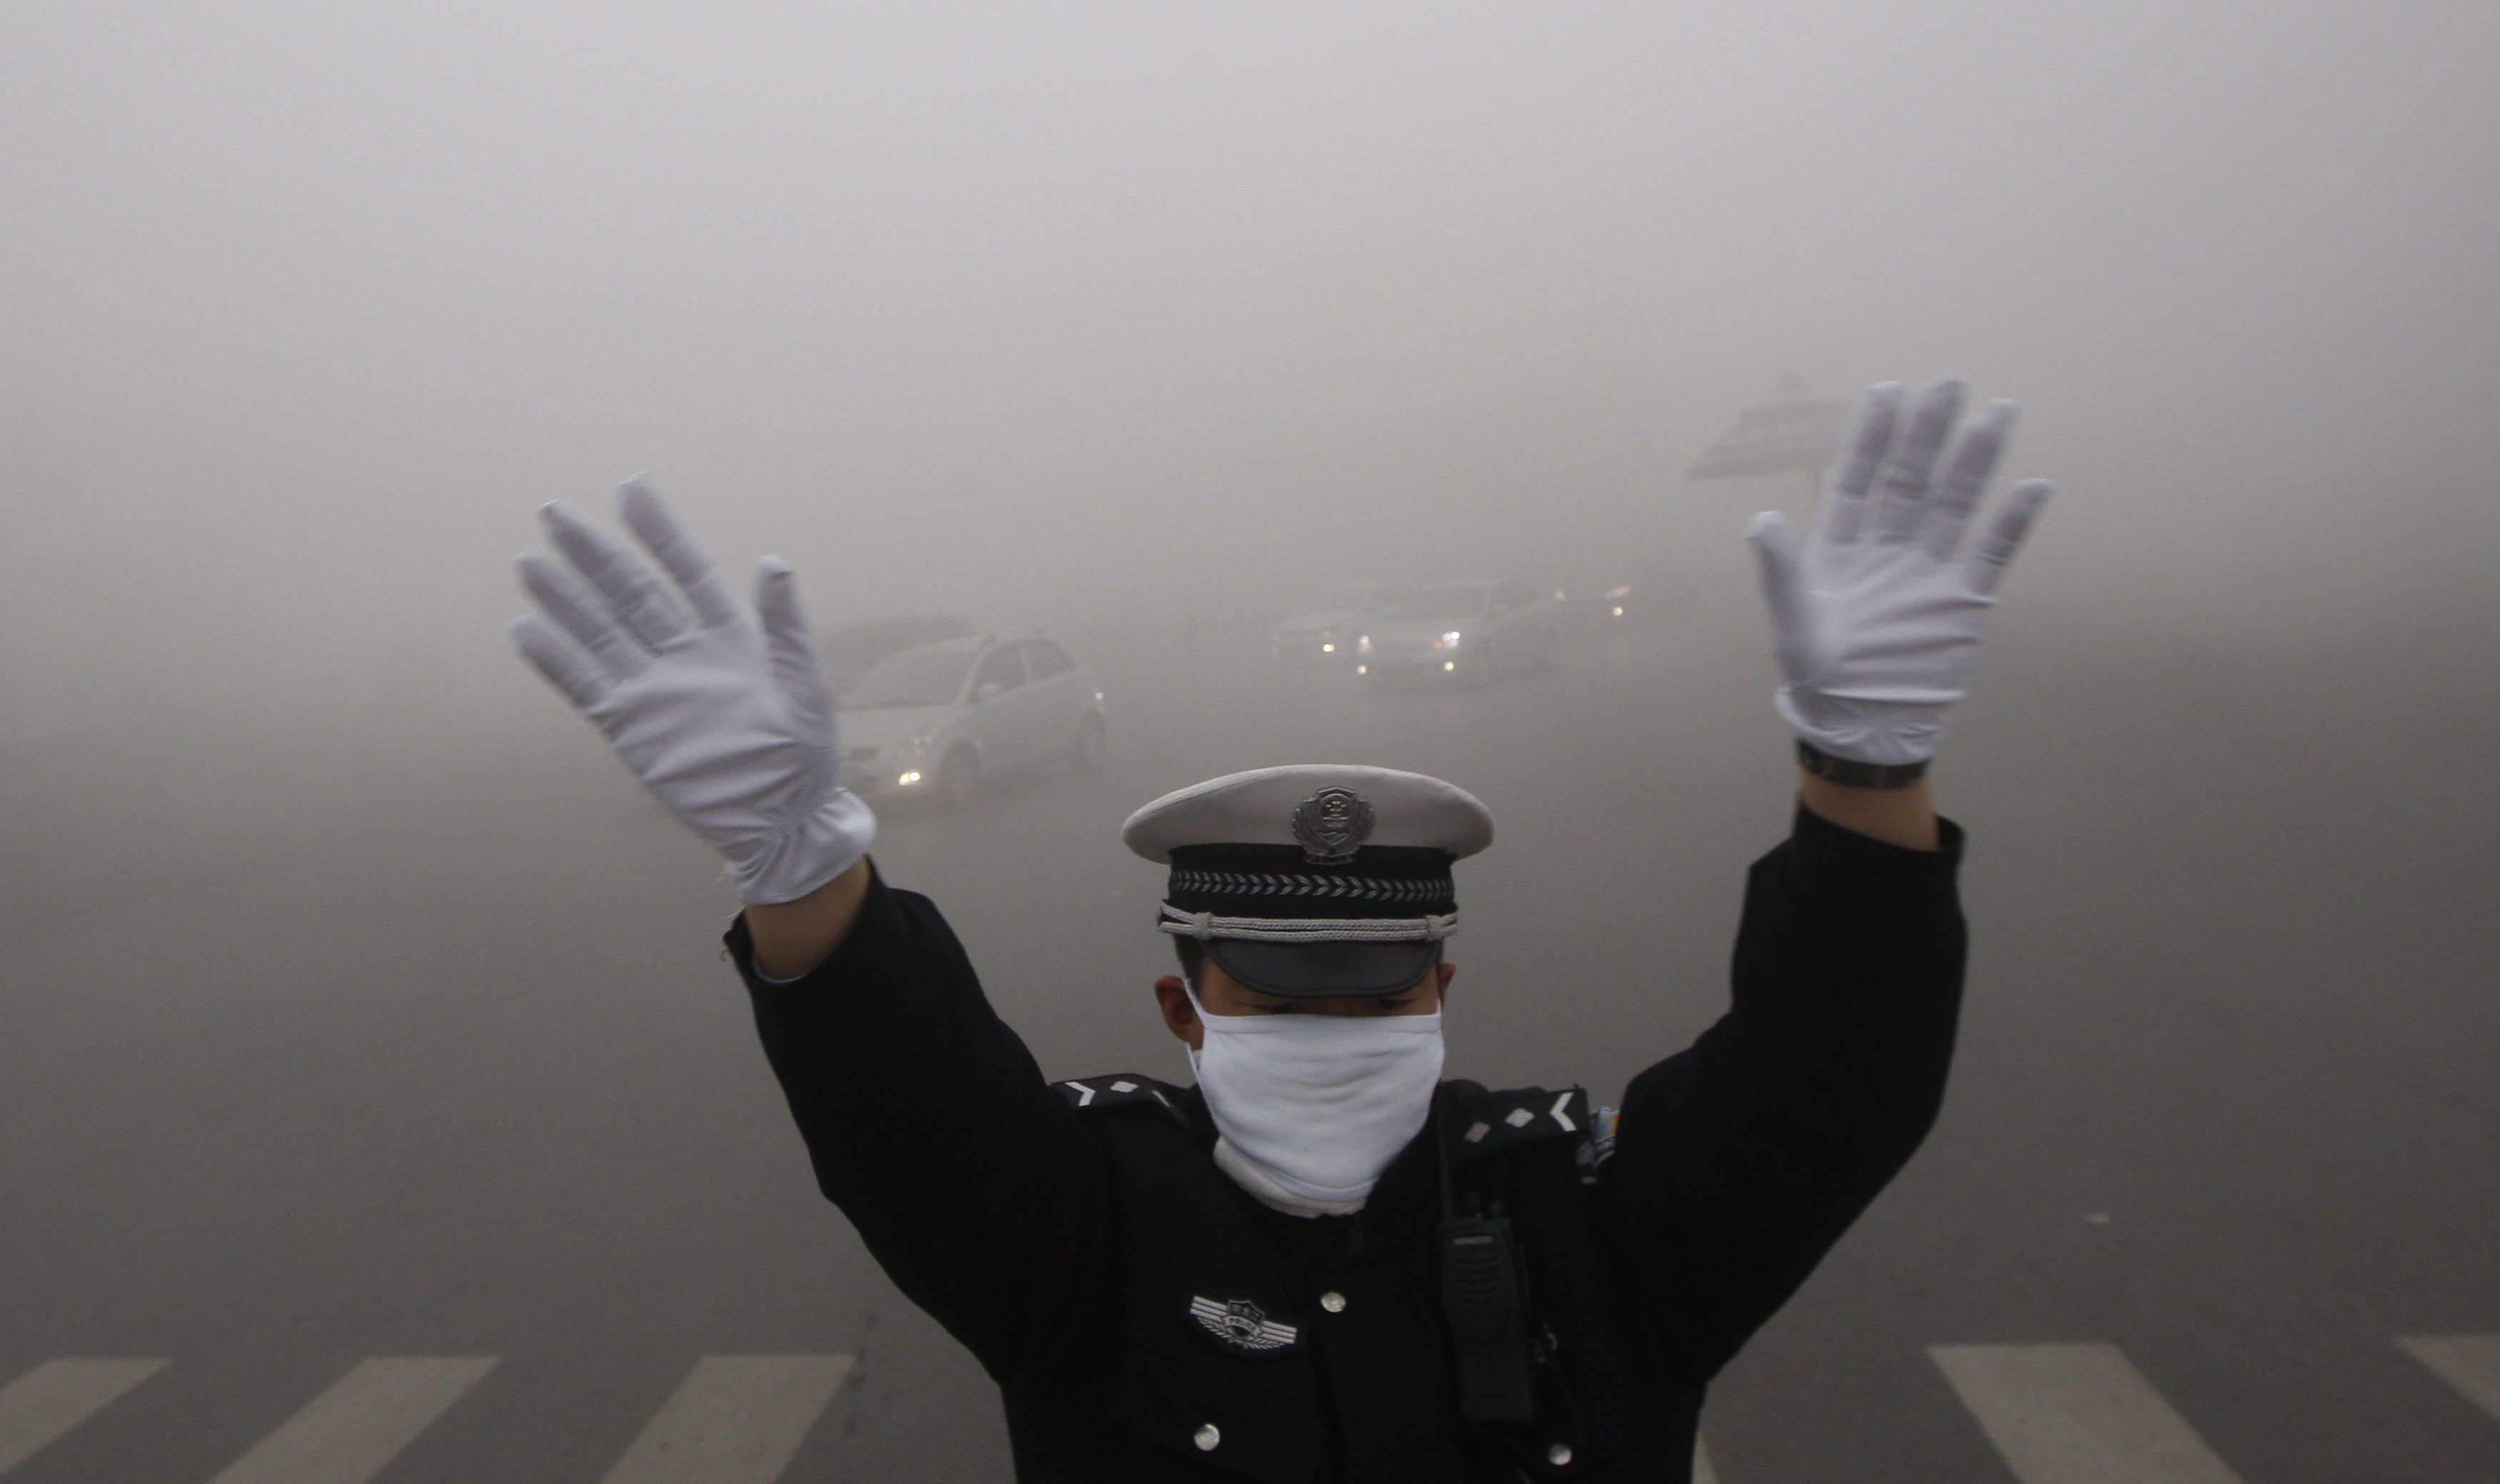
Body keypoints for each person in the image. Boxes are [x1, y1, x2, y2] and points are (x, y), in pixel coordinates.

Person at [509, 377, 2052, 1483]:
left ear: (1442, 988)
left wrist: (1866, 774)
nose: (1335, 1027)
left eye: (1376, 992)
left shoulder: (1583, 1225)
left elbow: (1831, 1081)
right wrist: (793, 865)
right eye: (1275, 991)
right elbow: (904, 1106)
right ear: (1181, 1013)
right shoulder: (1087, 1239)